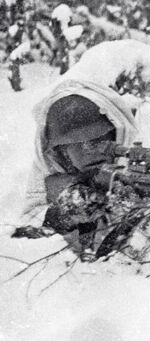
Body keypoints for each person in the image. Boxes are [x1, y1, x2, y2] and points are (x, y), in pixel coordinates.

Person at [17, 79, 138, 260]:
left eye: (99, 140)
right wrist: (62, 214)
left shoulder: (136, 164)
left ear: (116, 136)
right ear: (61, 150)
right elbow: (20, 243)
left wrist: (130, 215)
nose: (90, 151)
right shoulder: (49, 171)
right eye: (78, 144)